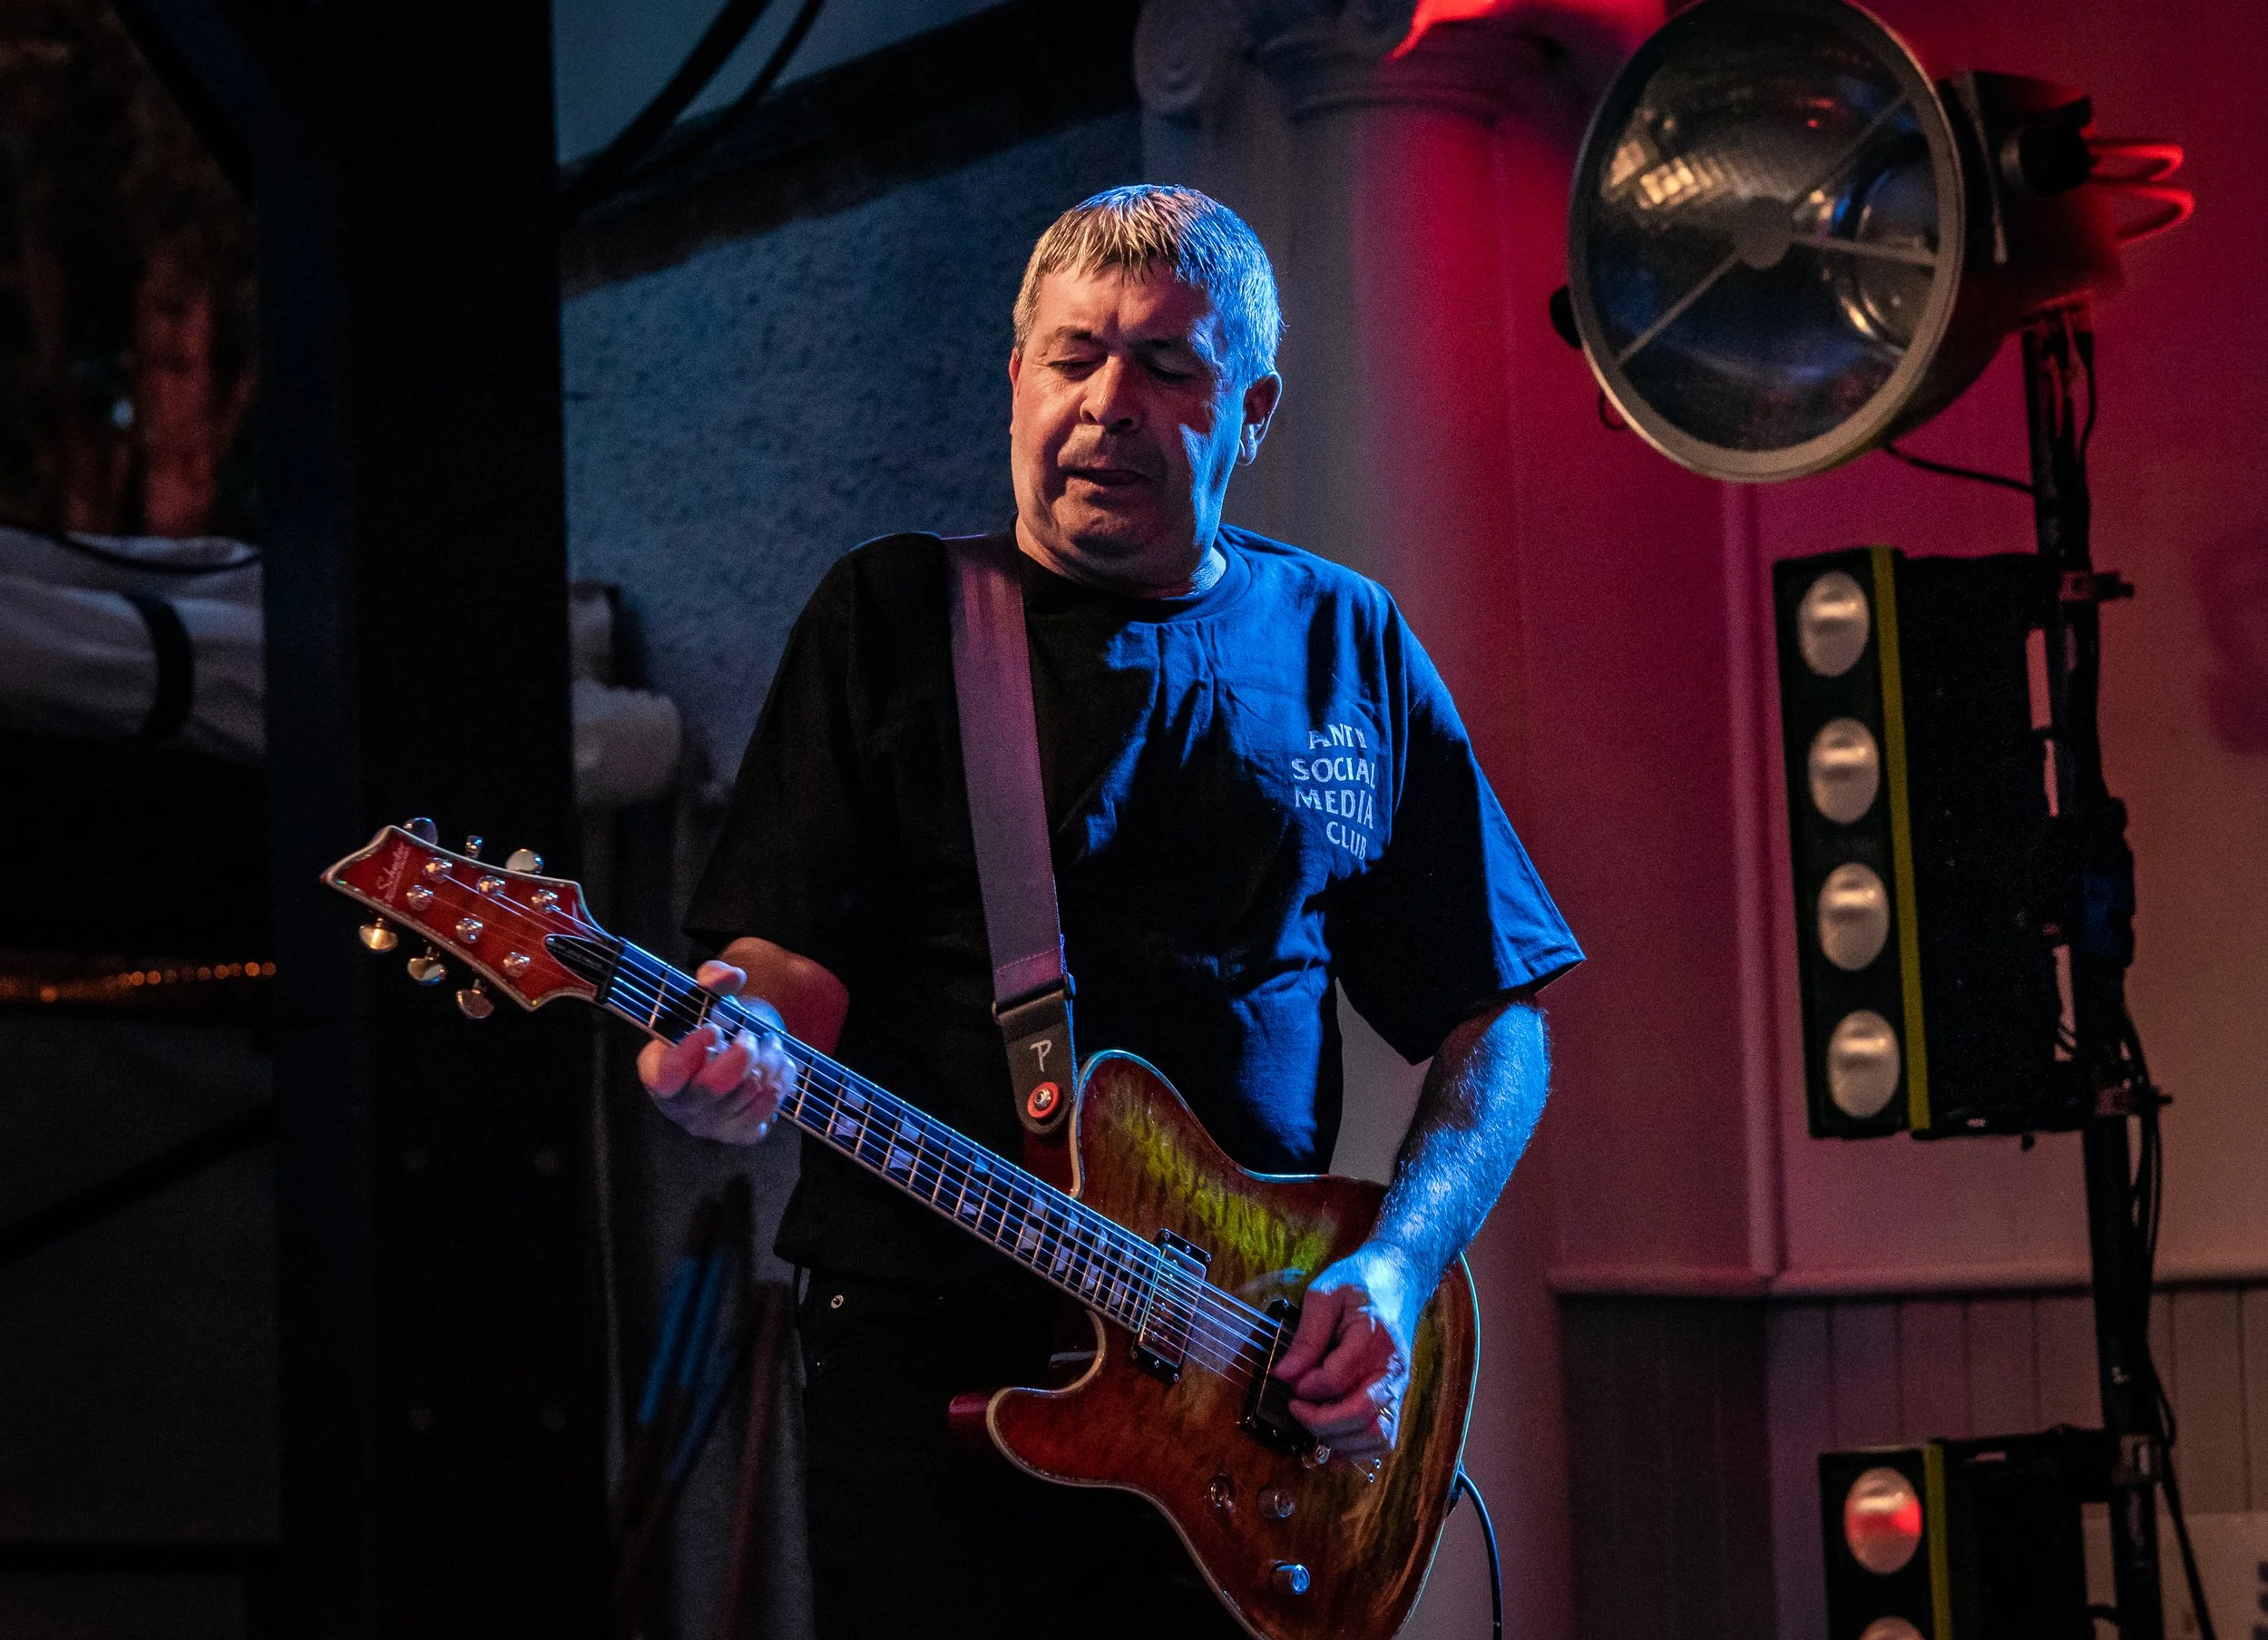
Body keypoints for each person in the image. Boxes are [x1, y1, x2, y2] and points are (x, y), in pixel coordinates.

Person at [637, 184, 1580, 1639]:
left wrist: (1396, 1264)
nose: (1107, 403)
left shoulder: (1344, 641)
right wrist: (724, 1058)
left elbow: (1492, 1020)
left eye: (1167, 368)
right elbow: (782, 979)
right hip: (936, 1366)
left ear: (1252, 409)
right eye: (1073, 358)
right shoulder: (893, 622)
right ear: (1017, 378)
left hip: (1246, 1395)